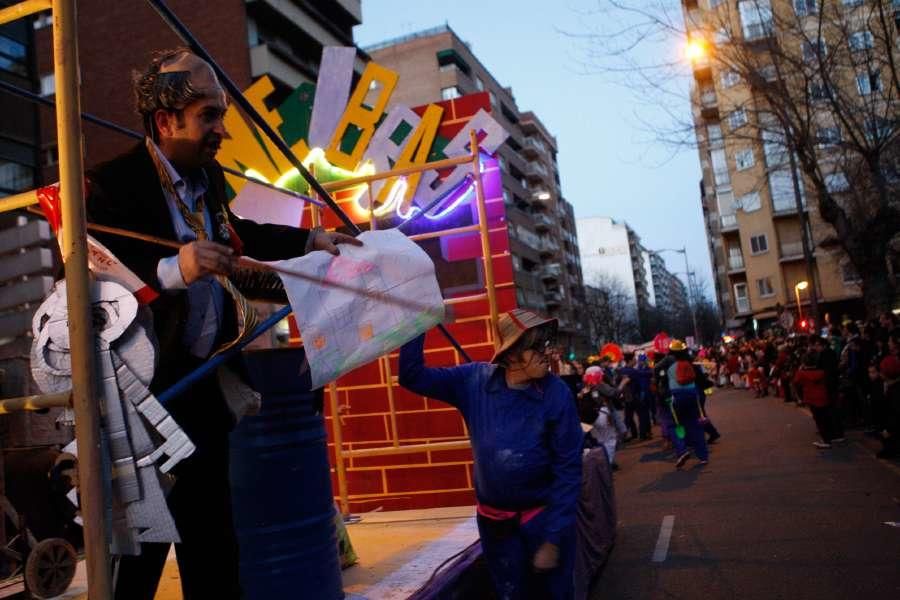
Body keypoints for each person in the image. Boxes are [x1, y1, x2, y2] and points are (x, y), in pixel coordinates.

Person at [85, 49, 361, 600]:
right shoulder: (110, 184)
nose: (221, 129)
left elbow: (238, 236)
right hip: (145, 397)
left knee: (214, 549)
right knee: (138, 558)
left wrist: (310, 240)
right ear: (166, 122)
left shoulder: (206, 177)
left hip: (203, 387)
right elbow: (93, 278)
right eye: (208, 116)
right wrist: (174, 268)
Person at [399, 309, 583, 599]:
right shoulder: (473, 381)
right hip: (496, 527)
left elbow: (569, 469)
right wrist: (418, 322)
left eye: (548, 344)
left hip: (543, 520)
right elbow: (411, 376)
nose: (547, 353)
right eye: (537, 346)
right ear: (511, 355)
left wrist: (553, 539)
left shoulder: (556, 394)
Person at [794, 351, 842, 449]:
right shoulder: (822, 372)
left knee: (819, 419)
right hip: (823, 396)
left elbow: (796, 383)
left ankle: (826, 440)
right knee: (826, 418)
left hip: (811, 398)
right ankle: (831, 436)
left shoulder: (801, 373)